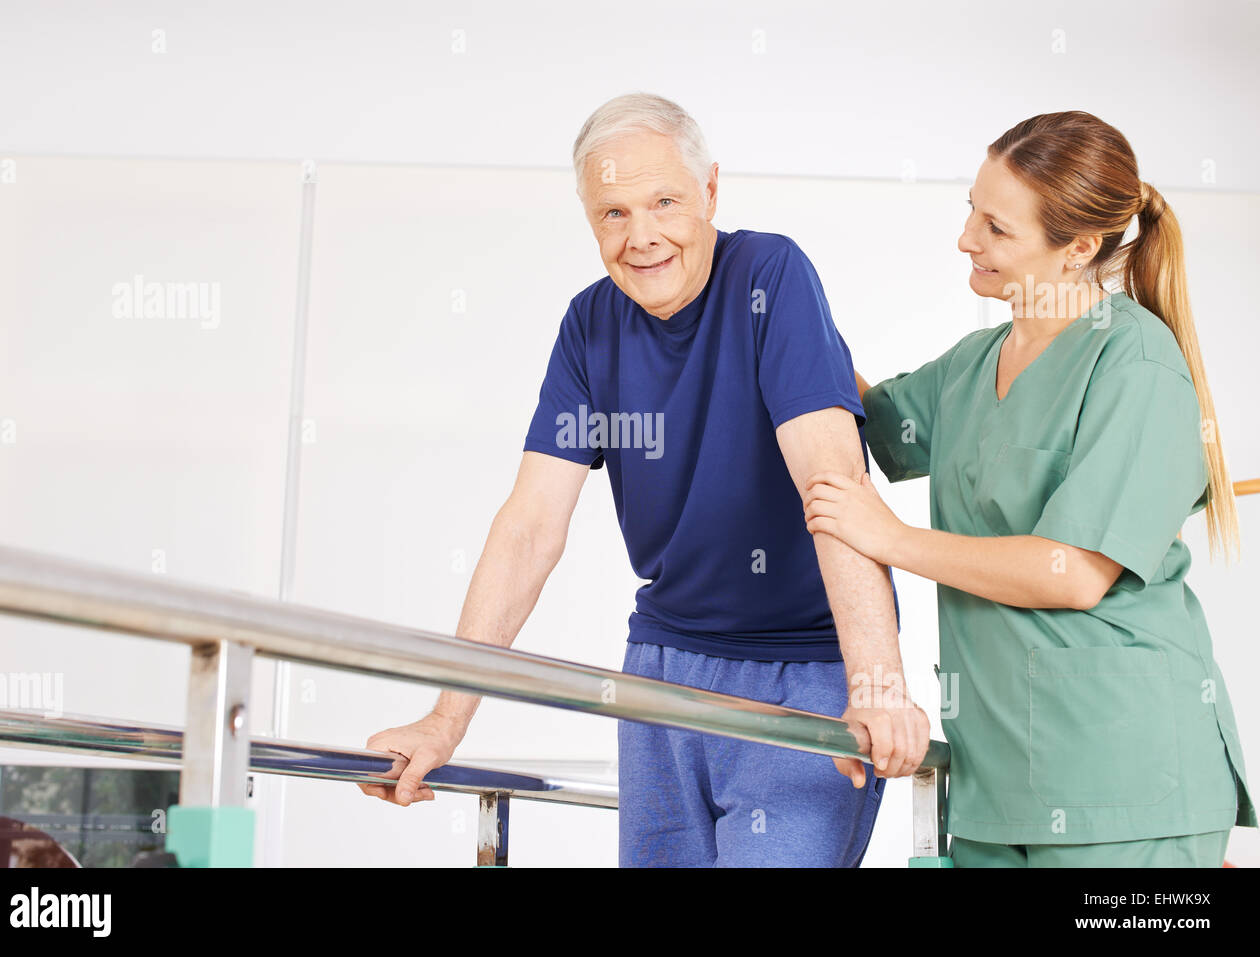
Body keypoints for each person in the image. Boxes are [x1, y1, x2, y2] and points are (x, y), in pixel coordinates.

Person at [357, 92, 931, 867]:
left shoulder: (771, 275)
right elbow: (529, 528)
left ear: (711, 191)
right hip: (665, 671)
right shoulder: (590, 325)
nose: (642, 236)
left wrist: (879, 681)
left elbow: (833, 485)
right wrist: (445, 719)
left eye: (663, 202)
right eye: (613, 214)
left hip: (806, 670)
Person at [804, 110, 1256, 867]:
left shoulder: (1135, 363)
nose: (966, 240)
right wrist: (784, 312)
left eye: (996, 227)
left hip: (1125, 779)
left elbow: (1075, 570)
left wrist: (892, 539)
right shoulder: (975, 363)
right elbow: (872, 426)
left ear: (1079, 246)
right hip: (996, 782)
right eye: (969, 213)